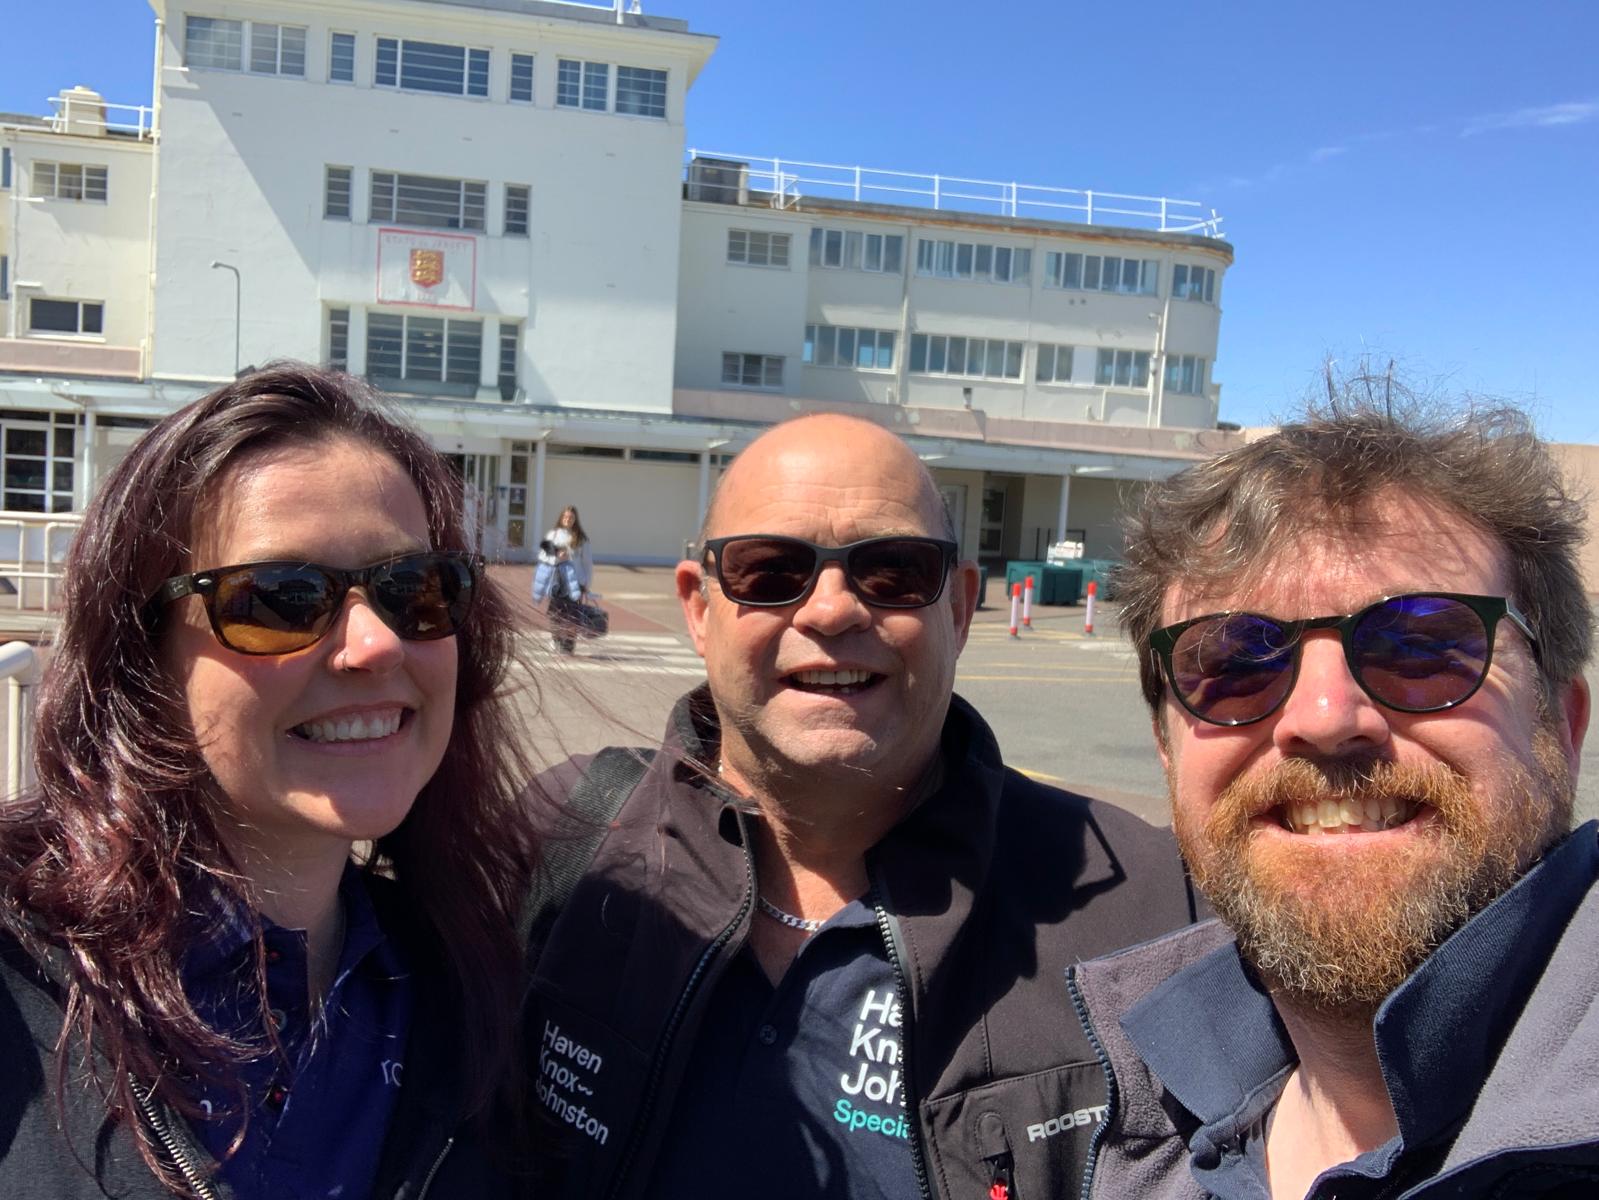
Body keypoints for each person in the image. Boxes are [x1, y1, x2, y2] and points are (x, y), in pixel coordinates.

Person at [523, 413, 1204, 1200]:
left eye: (892, 571)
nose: (831, 610)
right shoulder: (560, 835)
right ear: (698, 608)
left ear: (957, 610)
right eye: (770, 570)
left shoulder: (1152, 916)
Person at [0, 364, 537, 1198]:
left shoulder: (472, 986)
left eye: (413, 590)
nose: (375, 645)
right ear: (144, 663)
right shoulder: (21, 982)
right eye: (281, 598)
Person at [1070, 396, 1599, 1199]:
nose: (1321, 719)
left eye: (1420, 644)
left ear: (1561, 721)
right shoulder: (1138, 1122)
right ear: (1167, 751)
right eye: (1235, 662)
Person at [536, 505, 594, 654]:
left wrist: (587, 583)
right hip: (557, 582)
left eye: (571, 518)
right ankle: (556, 641)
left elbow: (587, 564)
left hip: (575, 582)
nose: (568, 520)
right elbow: (543, 556)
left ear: (575, 520)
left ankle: (568, 645)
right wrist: (556, 557)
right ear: (562, 518)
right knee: (556, 614)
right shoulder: (553, 535)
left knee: (572, 616)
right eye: (566, 517)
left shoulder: (582, 539)